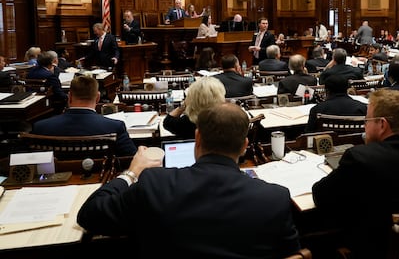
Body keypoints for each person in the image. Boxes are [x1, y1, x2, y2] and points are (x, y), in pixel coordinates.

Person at [77, 102, 301, 257]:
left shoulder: (155, 183)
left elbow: (90, 215)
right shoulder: (276, 198)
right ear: (244, 147)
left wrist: (131, 172)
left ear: (197, 137)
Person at [312, 89, 399, 258]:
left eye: (367, 120)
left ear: (382, 124)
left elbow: (321, 197)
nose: (364, 125)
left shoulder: (360, 158)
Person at [33, 75, 136, 156]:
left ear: (69, 97)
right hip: (104, 179)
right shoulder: (115, 127)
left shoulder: (41, 127)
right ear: (98, 98)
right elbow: (130, 158)